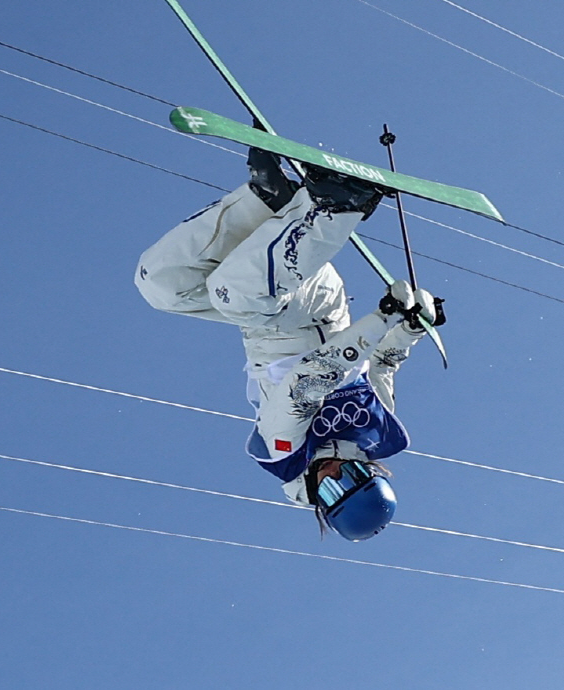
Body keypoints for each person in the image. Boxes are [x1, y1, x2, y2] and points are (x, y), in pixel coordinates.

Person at [135, 146, 444, 541]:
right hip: (316, 310)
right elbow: (382, 363)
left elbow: (310, 379)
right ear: (368, 471)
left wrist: (383, 318)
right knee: (235, 293)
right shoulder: (374, 431)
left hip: (264, 325)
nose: (333, 473)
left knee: (162, 286)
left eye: (331, 489)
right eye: (350, 476)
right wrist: (413, 324)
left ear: (318, 499)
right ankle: (337, 207)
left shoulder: (283, 449)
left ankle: (266, 203)